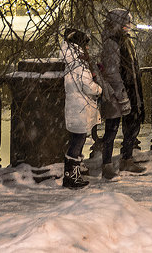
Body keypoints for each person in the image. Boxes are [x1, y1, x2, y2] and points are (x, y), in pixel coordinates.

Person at [100, 8, 146, 179]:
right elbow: (112, 72)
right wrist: (122, 94)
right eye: (126, 22)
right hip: (118, 92)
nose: (129, 25)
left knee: (132, 124)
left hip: (130, 89)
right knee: (111, 129)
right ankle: (107, 165)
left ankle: (127, 159)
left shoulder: (124, 40)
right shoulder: (112, 42)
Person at [60, 27, 102, 189]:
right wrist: (99, 89)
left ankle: (73, 173)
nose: (89, 48)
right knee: (78, 141)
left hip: (75, 107)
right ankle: (71, 176)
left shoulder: (72, 62)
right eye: (86, 44)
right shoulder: (78, 64)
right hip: (79, 108)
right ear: (79, 45)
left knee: (77, 139)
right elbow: (87, 85)